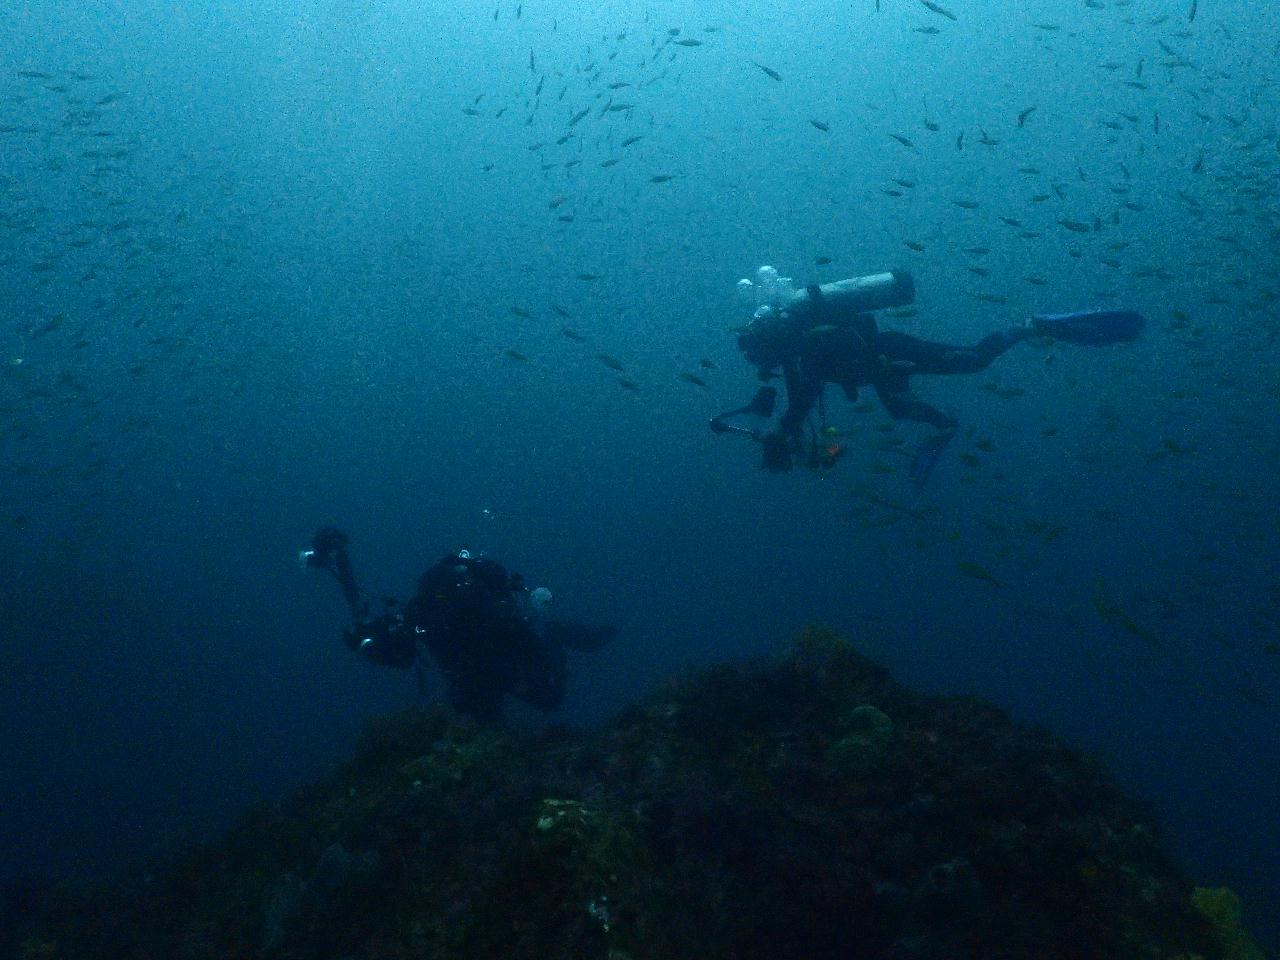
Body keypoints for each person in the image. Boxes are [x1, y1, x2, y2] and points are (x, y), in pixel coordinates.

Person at [719, 266, 1144, 479]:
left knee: (973, 361)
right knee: (901, 410)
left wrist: (782, 432)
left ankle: (1030, 326)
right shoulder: (797, 351)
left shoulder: (799, 352)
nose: (762, 368)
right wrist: (785, 432)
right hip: (880, 367)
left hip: (888, 354)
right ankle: (945, 424)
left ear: (768, 346)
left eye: (759, 360)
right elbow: (801, 399)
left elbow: (803, 398)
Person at [303, 527, 616, 723]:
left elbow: (407, 648)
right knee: (481, 710)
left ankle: (557, 635)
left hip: (501, 654)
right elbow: (404, 649)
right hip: (482, 667)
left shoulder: (447, 605)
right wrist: (367, 643)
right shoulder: (426, 610)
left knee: (549, 698)